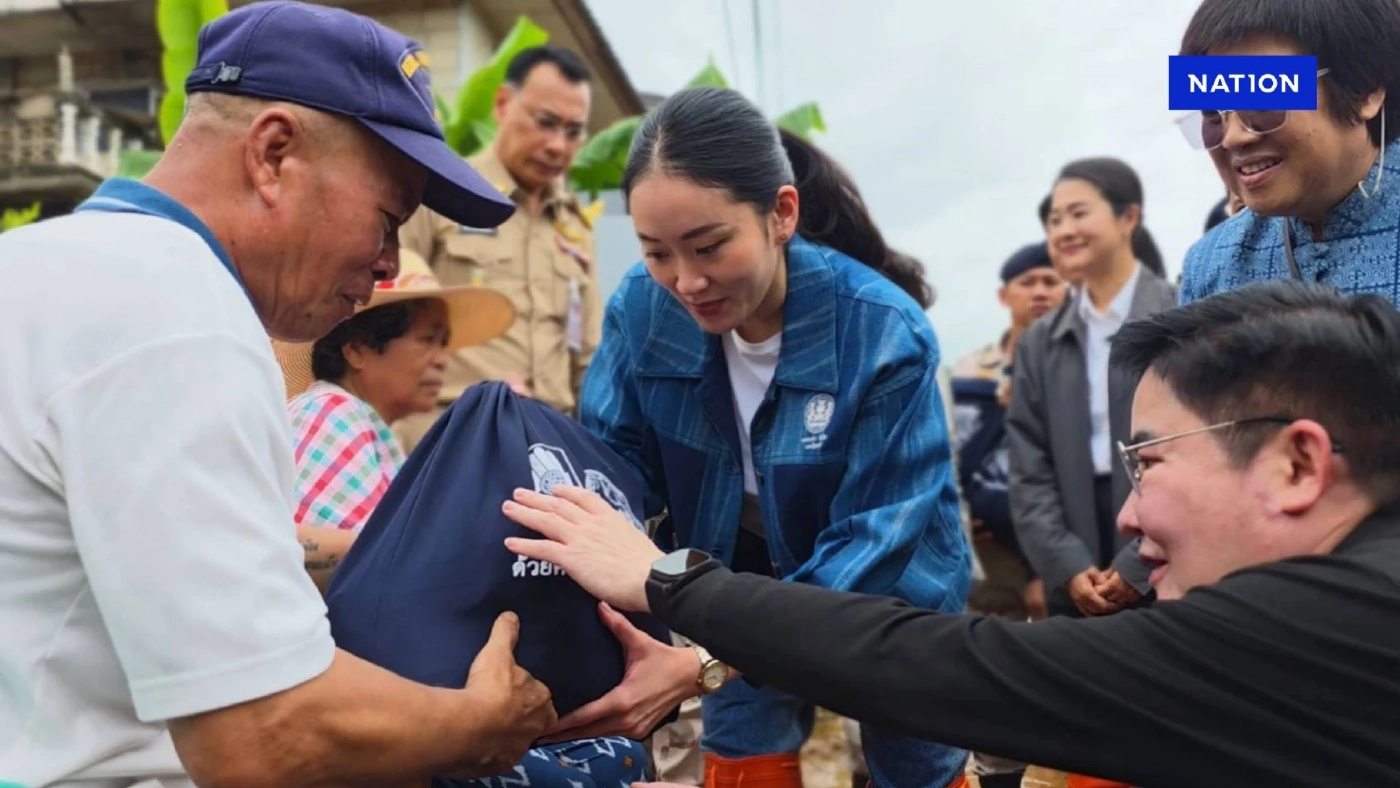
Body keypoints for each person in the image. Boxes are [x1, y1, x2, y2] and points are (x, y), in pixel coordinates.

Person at [502, 279, 1400, 787]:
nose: (1128, 516)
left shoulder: (1323, 626)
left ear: (1297, 465)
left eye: (1149, 463)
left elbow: (955, 667)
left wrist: (668, 582)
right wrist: (709, 655)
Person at [0, 3, 559, 785]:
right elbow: (264, 736)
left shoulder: (38, 265)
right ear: (272, 153)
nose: (388, 263)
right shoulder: (180, 318)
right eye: (388, 217)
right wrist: (484, 720)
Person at [570, 88, 972, 788]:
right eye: (657, 252)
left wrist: (709, 656)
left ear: (781, 214)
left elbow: (875, 540)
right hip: (736, 577)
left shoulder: (881, 332)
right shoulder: (642, 307)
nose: (686, 282)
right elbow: (613, 468)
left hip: (889, 592)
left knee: (919, 761)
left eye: (709, 245)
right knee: (744, 760)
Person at [397, 45, 603, 451]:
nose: (558, 146)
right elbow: (385, 313)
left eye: (574, 131)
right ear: (503, 105)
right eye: (546, 123)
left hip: (547, 446)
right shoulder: (444, 192)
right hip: (450, 437)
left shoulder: (575, 228)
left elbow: (588, 360)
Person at [270, 249, 512, 587]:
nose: (442, 360)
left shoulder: (364, 426)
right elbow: (310, 571)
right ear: (357, 348)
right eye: (427, 340)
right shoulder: (332, 413)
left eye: (443, 343)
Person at [1009, 158, 1176, 623]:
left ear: (1128, 218)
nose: (1063, 230)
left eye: (1079, 213)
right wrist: (1067, 565)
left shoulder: (1179, 312)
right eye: (1055, 220)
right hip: (1074, 542)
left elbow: (1199, 447)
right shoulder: (1041, 342)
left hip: (1167, 543)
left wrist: (1137, 564)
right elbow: (1029, 466)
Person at [1177, 0, 1400, 304]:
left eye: (1263, 100)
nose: (1232, 138)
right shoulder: (1209, 266)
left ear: (1365, 90)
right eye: (1212, 113)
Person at [952, 241, 1066, 621]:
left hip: (1058, 545)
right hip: (986, 560)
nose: (1039, 292)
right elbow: (948, 452)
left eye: (1051, 281)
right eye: (1027, 282)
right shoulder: (968, 373)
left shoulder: (1085, 370)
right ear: (1004, 296)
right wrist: (962, 515)